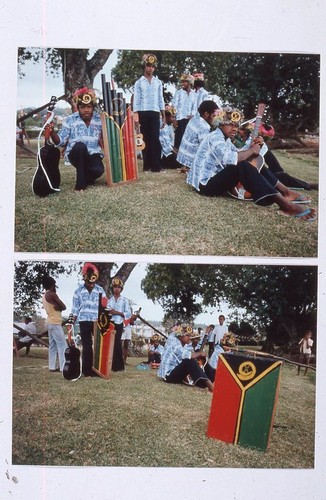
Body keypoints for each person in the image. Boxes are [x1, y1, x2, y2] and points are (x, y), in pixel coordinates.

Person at [188, 106, 317, 222]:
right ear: (220, 124)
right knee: (242, 164)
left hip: (213, 179)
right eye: (230, 124)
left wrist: (256, 146)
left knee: (246, 162)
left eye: (236, 125)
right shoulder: (215, 137)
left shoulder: (225, 139)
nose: (234, 128)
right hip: (204, 185)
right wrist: (251, 150)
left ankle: (286, 192)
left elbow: (242, 154)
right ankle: (286, 205)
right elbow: (232, 158)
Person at [46, 87, 104, 191]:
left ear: (93, 107)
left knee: (99, 170)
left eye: (89, 107)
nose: (86, 110)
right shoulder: (70, 119)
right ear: (78, 107)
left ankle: (86, 177)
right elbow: (60, 141)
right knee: (80, 146)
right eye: (82, 107)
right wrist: (52, 132)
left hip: (93, 153)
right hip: (76, 153)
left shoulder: (100, 119)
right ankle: (80, 185)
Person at [235, 122, 318, 191]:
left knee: (277, 170)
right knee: (281, 176)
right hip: (246, 169)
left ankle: (281, 173)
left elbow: (257, 160)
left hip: (256, 167)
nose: (240, 133)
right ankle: (308, 185)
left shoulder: (257, 143)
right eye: (241, 131)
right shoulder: (235, 140)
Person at [68, 263, 106, 377]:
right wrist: (71, 322)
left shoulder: (100, 290)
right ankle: (86, 370)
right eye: (89, 283)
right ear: (84, 279)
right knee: (87, 346)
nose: (91, 285)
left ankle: (98, 369)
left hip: (97, 322)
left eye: (93, 282)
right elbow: (74, 309)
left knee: (99, 346)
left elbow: (104, 307)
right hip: (84, 321)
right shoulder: (78, 291)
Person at [133, 54, 166, 172]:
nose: (150, 68)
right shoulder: (139, 82)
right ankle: (146, 166)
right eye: (148, 66)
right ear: (144, 67)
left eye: (152, 66)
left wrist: (163, 115)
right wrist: (136, 116)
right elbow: (136, 100)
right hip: (143, 112)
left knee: (155, 139)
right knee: (145, 139)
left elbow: (160, 98)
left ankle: (156, 166)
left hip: (155, 112)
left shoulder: (158, 82)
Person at [158, 325, 214, 392]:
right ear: (181, 336)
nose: (189, 338)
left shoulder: (181, 343)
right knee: (189, 361)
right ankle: (211, 387)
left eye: (190, 335)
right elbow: (187, 355)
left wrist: (206, 334)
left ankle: (213, 379)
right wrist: (200, 353)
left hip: (174, 372)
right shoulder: (175, 343)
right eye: (187, 335)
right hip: (168, 376)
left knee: (200, 360)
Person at [177, 100, 219, 178]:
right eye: (213, 116)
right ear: (206, 114)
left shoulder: (194, 119)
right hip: (190, 162)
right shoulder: (204, 127)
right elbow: (207, 149)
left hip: (183, 159)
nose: (215, 119)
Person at [42, 276, 67, 372]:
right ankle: (63, 367)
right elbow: (64, 306)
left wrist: (58, 306)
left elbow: (57, 306)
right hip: (55, 322)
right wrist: (59, 307)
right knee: (62, 345)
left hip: (49, 322)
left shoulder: (44, 295)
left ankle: (52, 366)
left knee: (52, 345)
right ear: (52, 285)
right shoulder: (52, 295)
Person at [106, 277, 132, 372]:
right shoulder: (110, 300)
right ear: (113, 288)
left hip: (119, 323)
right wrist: (109, 313)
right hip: (111, 324)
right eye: (115, 287)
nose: (116, 289)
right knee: (111, 344)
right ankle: (113, 366)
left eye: (118, 287)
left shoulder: (124, 300)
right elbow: (108, 311)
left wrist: (116, 312)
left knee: (117, 343)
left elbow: (128, 314)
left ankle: (120, 366)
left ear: (121, 289)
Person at [172, 73, 197, 149]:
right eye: (182, 82)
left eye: (185, 82)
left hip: (190, 121)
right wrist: (174, 119)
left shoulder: (194, 94)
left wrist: (193, 115)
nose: (182, 83)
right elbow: (174, 106)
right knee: (179, 140)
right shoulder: (178, 93)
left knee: (188, 141)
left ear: (190, 83)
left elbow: (195, 107)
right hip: (180, 120)